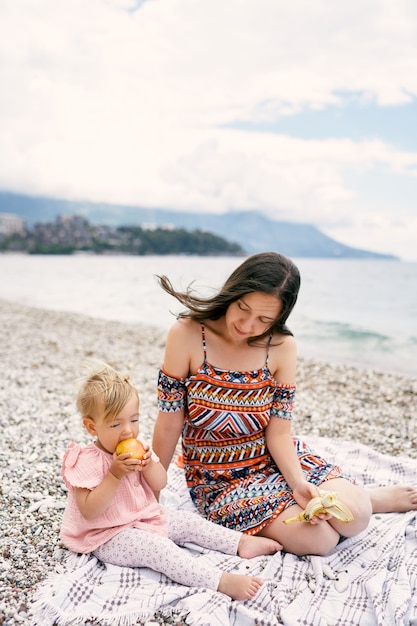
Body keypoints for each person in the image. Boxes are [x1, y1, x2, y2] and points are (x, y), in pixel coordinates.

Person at [152, 251, 417, 557]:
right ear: (233, 292)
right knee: (320, 542)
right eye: (243, 308)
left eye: (264, 319)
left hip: (275, 458)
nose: (247, 324)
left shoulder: (281, 347)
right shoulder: (186, 334)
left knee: (356, 518)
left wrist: (298, 484)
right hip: (219, 479)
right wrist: (150, 495)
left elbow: (278, 433)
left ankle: (367, 498)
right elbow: (169, 421)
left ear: (280, 317)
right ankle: (356, 495)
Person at [60, 362, 281, 601]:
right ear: (92, 426)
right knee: (159, 549)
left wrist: (149, 465)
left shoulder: (138, 446)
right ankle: (220, 580)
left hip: (143, 516)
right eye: (115, 424)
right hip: (106, 534)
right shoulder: (86, 461)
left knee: (188, 522)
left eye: (133, 420)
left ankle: (240, 542)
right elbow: (90, 511)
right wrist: (114, 475)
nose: (127, 432)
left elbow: (160, 483)